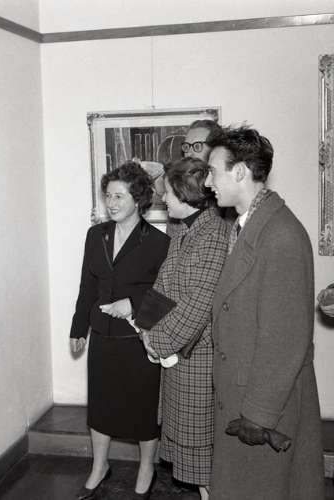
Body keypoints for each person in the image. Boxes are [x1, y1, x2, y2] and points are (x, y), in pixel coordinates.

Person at [204, 125, 325, 500]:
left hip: (263, 408)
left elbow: (284, 339)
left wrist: (258, 415)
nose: (208, 182)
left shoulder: (281, 234)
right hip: (244, 395)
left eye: (213, 171)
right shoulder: (250, 226)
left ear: (240, 172)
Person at [70, 161, 170, 499]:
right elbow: (87, 285)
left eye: (119, 196)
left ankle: (146, 469)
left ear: (139, 199)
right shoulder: (95, 235)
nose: (111, 203)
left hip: (138, 339)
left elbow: (166, 292)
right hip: (102, 335)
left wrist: (134, 302)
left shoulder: (159, 242)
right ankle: (99, 467)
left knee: (143, 409)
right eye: (108, 196)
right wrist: (78, 328)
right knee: (100, 407)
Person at [140, 157, 229, 500]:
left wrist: (157, 341)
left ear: (185, 195)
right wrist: (145, 328)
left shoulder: (214, 235)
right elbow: (163, 285)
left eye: (168, 194)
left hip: (199, 358)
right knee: (192, 454)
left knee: (205, 456)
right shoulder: (181, 229)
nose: (163, 200)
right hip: (178, 357)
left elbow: (198, 305)